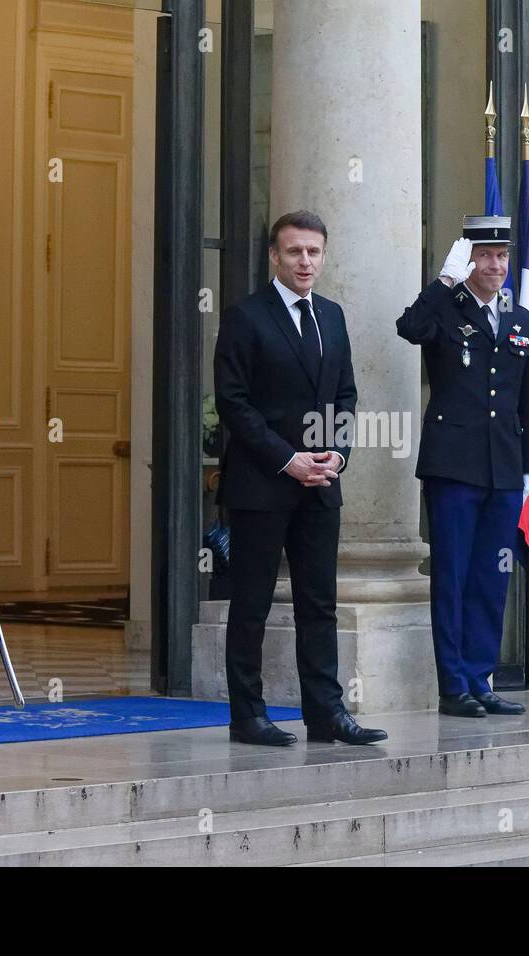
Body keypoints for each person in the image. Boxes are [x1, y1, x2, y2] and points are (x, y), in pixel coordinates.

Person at [213, 210, 386, 747]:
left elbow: (346, 394)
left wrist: (337, 453)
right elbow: (233, 404)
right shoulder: (245, 317)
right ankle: (248, 714)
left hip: (319, 486)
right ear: (274, 256)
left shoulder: (332, 316)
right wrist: (287, 459)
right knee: (252, 603)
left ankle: (326, 713)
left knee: (320, 602)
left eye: (313, 252)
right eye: (294, 252)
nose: (305, 261)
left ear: (324, 255)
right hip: (261, 486)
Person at [397, 216, 529, 718]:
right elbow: (408, 329)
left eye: (502, 256)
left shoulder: (519, 318)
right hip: (454, 467)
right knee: (453, 577)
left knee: (490, 578)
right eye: (484, 256)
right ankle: (452, 685)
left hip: (503, 468)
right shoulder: (445, 309)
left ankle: (481, 678)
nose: (495, 265)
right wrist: (443, 282)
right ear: (468, 259)